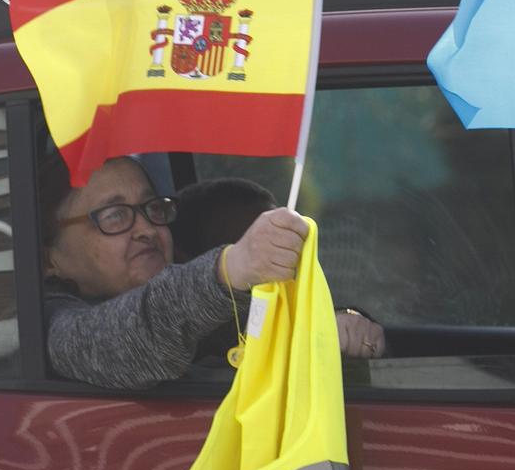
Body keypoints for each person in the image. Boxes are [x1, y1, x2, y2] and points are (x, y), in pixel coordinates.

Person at [41, 153, 384, 389]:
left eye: (152, 208)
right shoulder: (49, 324)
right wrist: (228, 268)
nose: (146, 227)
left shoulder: (199, 290)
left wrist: (339, 322)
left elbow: (281, 323)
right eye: (115, 215)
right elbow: (124, 338)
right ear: (49, 258)